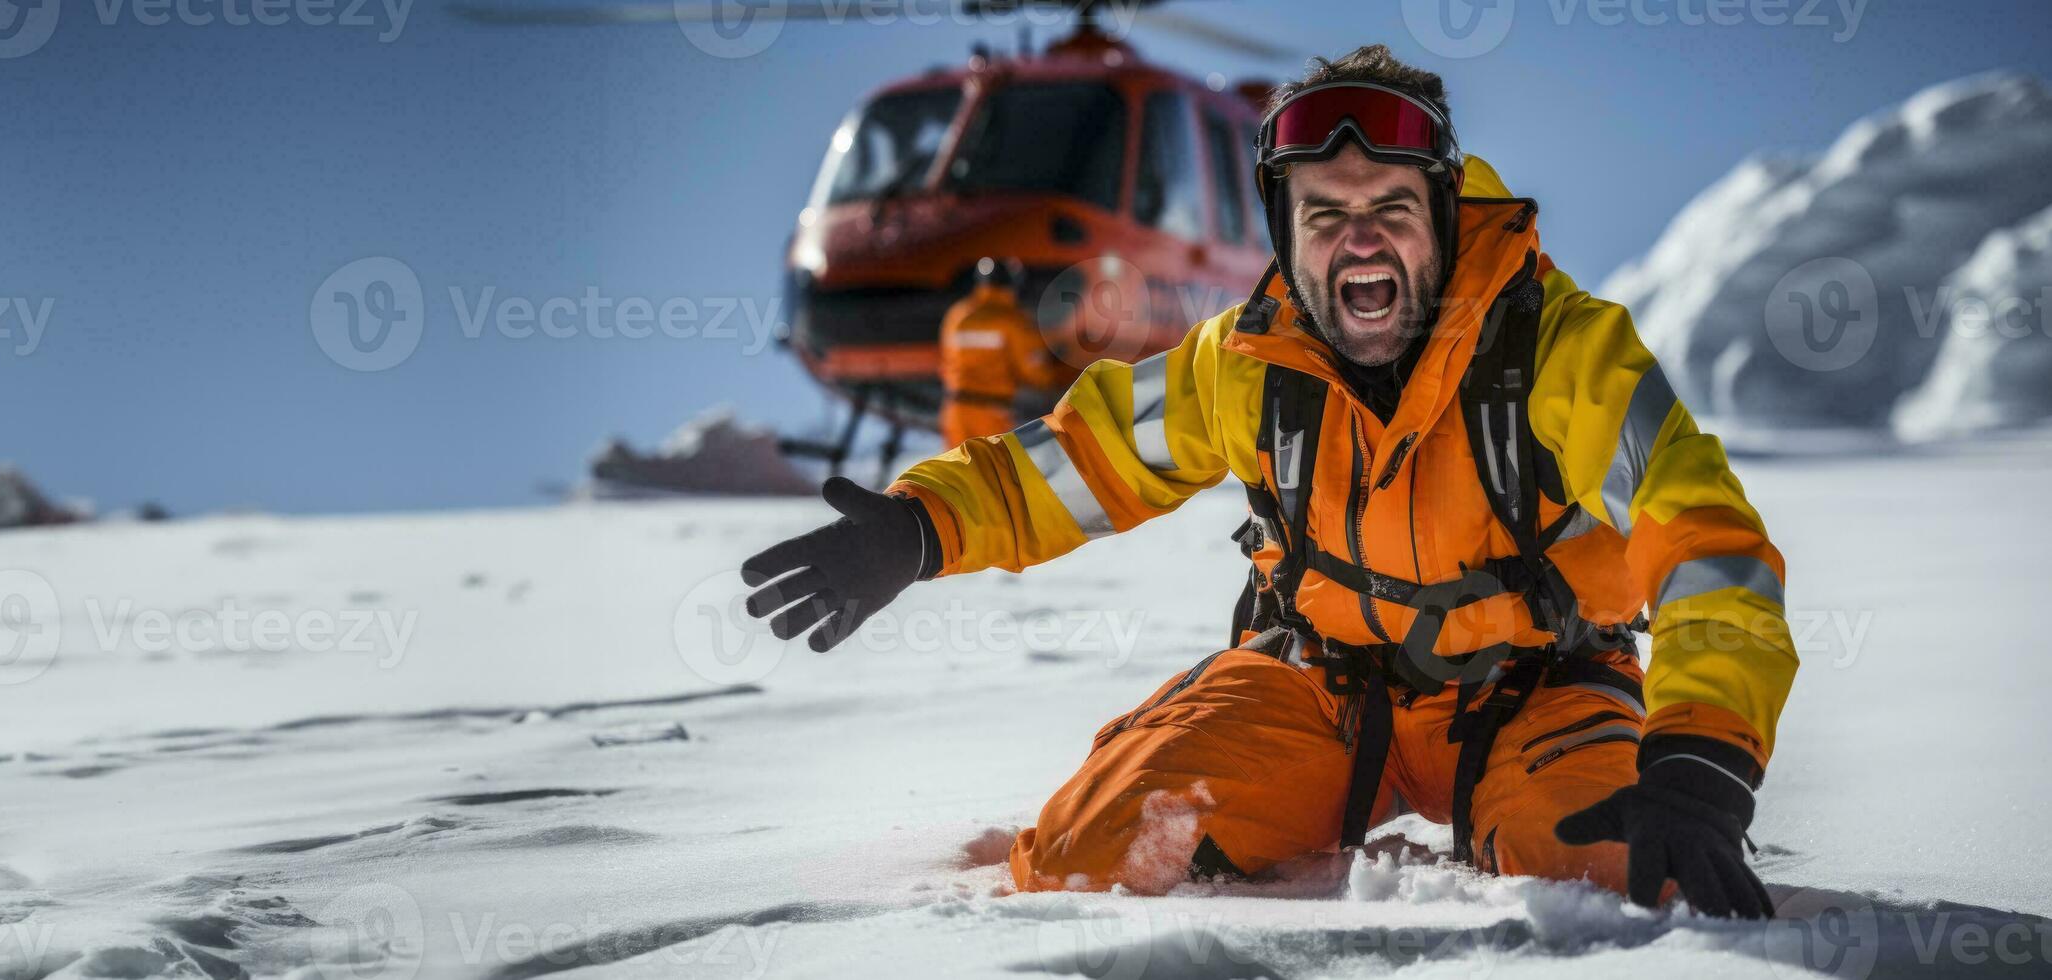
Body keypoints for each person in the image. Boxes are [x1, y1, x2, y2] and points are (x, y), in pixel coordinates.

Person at [739, 45, 1791, 919]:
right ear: (1284, 234)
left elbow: (1705, 540)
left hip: (1536, 693)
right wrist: (921, 525)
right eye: (1322, 214)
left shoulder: (1561, 347)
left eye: (1389, 204)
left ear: (1444, 211)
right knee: (1091, 854)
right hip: (1316, 684)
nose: (1359, 238)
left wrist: (1700, 754)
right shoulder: (1241, 362)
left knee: (1631, 879)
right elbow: (1084, 457)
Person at [937, 258, 1076, 446]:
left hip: (954, 410)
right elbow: (1033, 371)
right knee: (993, 472)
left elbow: (946, 360)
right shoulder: (1011, 321)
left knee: (957, 471)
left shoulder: (957, 314)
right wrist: (1059, 377)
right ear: (1012, 285)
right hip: (990, 413)